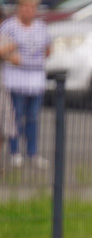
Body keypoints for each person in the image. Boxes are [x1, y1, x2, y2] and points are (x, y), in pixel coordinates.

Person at [0, 0, 50, 169]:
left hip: (36, 80)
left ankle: (32, 153)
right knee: (16, 117)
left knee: (33, 119)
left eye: (32, 7)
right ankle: (15, 152)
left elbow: (48, 49)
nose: (28, 10)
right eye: (25, 6)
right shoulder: (8, 26)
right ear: (19, 8)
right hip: (15, 80)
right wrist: (11, 53)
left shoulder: (42, 27)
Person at [0, 16, 20, 174]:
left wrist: (8, 51)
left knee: (3, 129)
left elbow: (16, 59)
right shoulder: (7, 42)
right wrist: (5, 50)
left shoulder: (5, 38)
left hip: (1, 89)